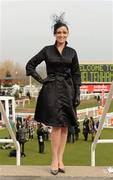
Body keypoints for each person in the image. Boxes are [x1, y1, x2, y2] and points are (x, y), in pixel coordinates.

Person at [26, 13, 81, 175]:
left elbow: (77, 74)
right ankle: (54, 160)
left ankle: (61, 159)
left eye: (64, 32)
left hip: (68, 90)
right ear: (54, 34)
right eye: (59, 32)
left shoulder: (72, 52)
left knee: (65, 126)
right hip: (51, 90)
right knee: (56, 125)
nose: (61, 35)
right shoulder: (47, 50)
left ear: (68, 34)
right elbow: (30, 65)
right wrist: (41, 80)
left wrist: (77, 93)